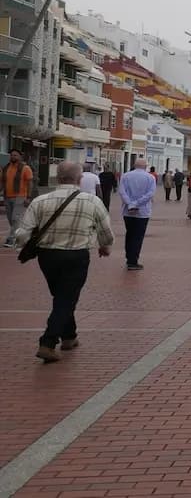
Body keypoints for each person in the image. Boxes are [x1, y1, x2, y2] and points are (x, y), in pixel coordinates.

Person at [15, 162, 114, 363]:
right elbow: (106, 232)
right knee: (66, 298)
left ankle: (69, 336)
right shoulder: (92, 201)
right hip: (76, 256)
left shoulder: (40, 201)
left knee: (61, 295)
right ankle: (48, 342)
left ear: (58, 178)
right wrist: (104, 246)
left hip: (47, 256)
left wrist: (27, 245)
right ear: (80, 179)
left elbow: (22, 233)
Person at [117, 158, 156, 271]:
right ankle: (133, 261)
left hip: (127, 211)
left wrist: (130, 204)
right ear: (145, 166)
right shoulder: (150, 177)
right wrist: (137, 203)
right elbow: (150, 194)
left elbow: (121, 191)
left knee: (129, 234)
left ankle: (129, 257)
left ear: (134, 165)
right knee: (138, 236)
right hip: (143, 211)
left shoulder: (126, 176)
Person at [3, 148, 35, 247]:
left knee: (15, 219)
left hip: (20, 196)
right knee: (10, 219)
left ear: (20, 157)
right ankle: (22, 237)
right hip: (7, 196)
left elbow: (30, 183)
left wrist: (28, 197)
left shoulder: (25, 168)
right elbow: (3, 181)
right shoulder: (6, 167)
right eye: (11, 155)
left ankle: (11, 239)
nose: (13, 157)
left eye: (15, 155)